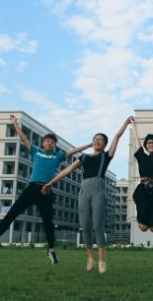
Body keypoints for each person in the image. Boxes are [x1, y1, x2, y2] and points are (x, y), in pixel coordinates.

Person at [0, 114, 91, 264]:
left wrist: (89, 145)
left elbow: (73, 151)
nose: (50, 143)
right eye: (48, 141)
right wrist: (15, 123)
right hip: (32, 188)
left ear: (54, 145)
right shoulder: (35, 151)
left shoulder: (58, 156)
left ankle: (51, 250)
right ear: (43, 143)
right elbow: (24, 138)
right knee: (12, 213)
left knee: (48, 221)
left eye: (52, 142)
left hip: (46, 190)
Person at [41, 116, 131, 274]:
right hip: (84, 190)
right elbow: (68, 170)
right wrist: (51, 183)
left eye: (100, 139)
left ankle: (102, 259)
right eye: (95, 139)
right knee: (85, 225)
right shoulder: (84, 157)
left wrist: (125, 123)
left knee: (98, 224)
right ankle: (90, 257)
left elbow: (117, 136)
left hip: (98, 189)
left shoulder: (106, 156)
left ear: (104, 144)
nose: (97, 141)